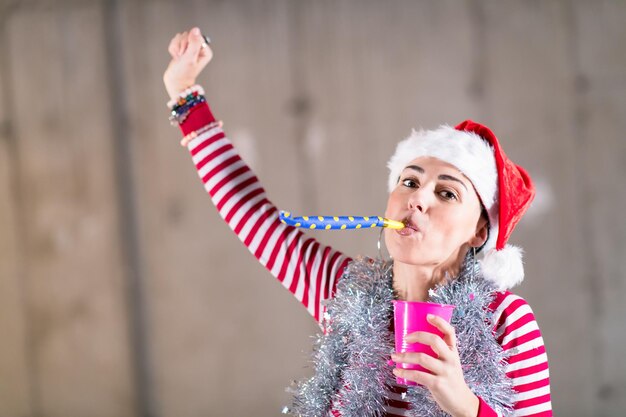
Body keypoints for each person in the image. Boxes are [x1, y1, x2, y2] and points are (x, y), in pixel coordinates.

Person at [163, 27, 552, 417]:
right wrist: (184, 91)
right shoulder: (345, 291)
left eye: (446, 193)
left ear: (479, 231)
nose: (417, 197)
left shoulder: (505, 319)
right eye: (410, 181)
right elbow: (251, 212)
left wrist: (465, 405)